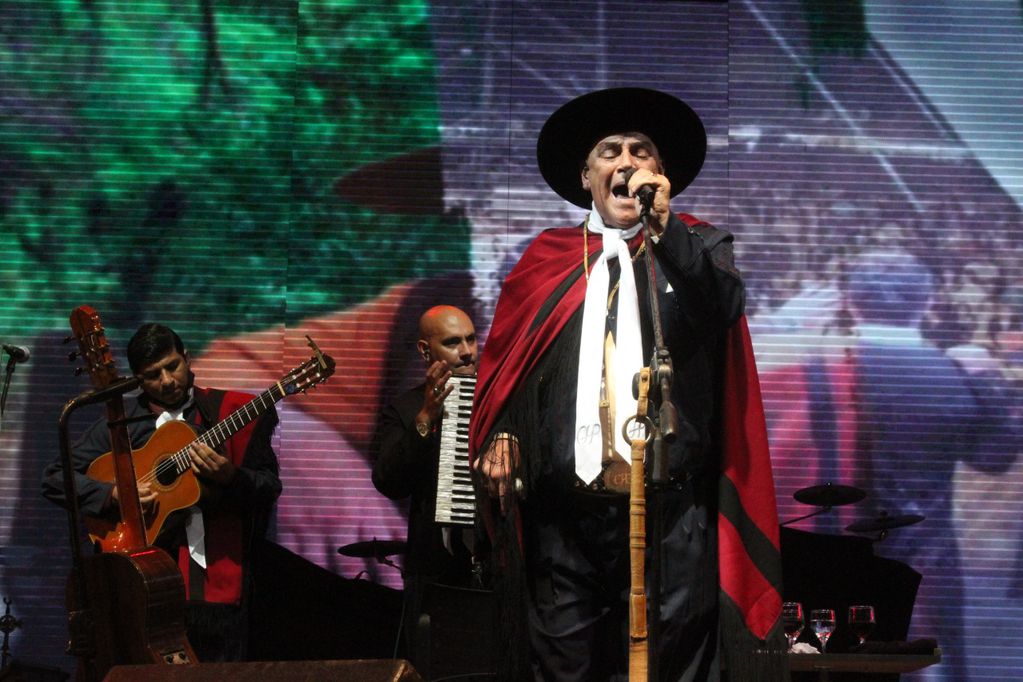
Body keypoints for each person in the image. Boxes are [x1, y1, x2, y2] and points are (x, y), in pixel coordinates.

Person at [469, 88, 785, 681]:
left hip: (671, 516)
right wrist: (505, 432)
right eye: (610, 151)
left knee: (671, 670)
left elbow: (722, 308)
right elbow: (515, 369)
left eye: (642, 151)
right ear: (586, 176)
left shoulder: (699, 246)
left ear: (661, 174)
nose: (627, 162)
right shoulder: (547, 259)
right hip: (566, 522)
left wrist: (667, 233)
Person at [42, 323, 282, 662]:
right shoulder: (121, 424)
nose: (167, 381)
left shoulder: (228, 411)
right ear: (138, 380)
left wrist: (231, 476)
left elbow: (269, 487)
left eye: (173, 366)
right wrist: (114, 495)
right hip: (145, 587)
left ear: (187, 358)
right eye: (153, 375)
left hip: (217, 581)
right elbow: (54, 477)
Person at [371, 305, 479, 670]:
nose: (467, 351)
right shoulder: (405, 408)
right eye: (453, 342)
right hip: (435, 569)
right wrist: (425, 419)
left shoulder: (499, 397)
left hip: (496, 565)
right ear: (425, 350)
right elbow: (388, 481)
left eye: (471, 339)